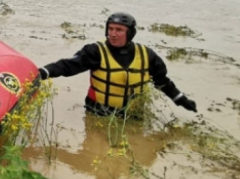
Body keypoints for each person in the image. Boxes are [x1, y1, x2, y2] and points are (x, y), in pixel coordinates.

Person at [38, 12, 197, 116]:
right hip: (99, 113)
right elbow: (67, 66)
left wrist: (181, 100)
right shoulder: (95, 51)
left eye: (119, 30)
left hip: (133, 115)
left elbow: (163, 82)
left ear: (130, 33)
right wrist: (42, 73)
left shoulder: (147, 55)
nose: (113, 34)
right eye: (111, 29)